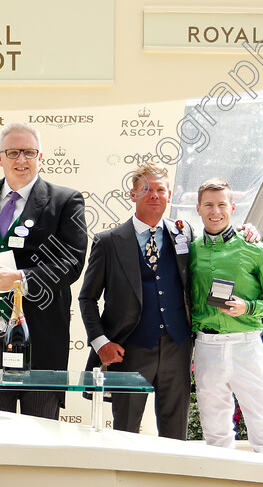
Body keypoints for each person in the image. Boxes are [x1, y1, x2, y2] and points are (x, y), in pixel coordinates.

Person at [0, 122, 87, 420]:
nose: (21, 160)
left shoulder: (65, 201)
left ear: (40, 156)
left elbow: (71, 262)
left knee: (41, 432)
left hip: (41, 336)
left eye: (29, 152)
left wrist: (21, 278)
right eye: (13, 152)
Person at [79, 163, 194, 439]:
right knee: (125, 432)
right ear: (132, 194)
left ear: (169, 195)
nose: (154, 195)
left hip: (177, 349)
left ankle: (171, 481)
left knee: (175, 433)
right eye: (146, 189)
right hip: (130, 351)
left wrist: (247, 233)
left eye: (159, 189)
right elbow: (87, 298)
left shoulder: (184, 234)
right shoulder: (108, 241)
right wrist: (101, 342)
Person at [190, 178, 263, 455]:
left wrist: (248, 307)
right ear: (198, 208)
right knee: (215, 433)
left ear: (233, 207)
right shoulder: (190, 249)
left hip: (246, 345)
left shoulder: (255, 248)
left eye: (222, 204)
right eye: (208, 205)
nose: (215, 211)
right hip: (206, 348)